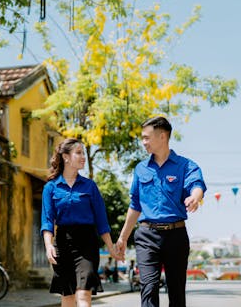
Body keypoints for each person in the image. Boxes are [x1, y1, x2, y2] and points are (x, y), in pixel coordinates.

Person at [115, 116, 206, 307]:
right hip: (147, 236)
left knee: (176, 292)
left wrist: (195, 197)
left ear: (163, 136)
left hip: (176, 235)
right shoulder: (141, 169)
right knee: (148, 288)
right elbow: (135, 205)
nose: (144, 142)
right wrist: (123, 238)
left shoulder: (185, 165)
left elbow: (196, 185)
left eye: (147, 138)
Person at [41, 138, 119, 307]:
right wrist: (48, 246)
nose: (83, 156)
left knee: (83, 295)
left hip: (87, 244)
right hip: (63, 244)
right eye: (79, 153)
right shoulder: (51, 188)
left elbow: (102, 221)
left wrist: (111, 246)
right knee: (67, 296)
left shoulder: (90, 186)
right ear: (66, 157)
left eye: (83, 153)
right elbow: (47, 221)